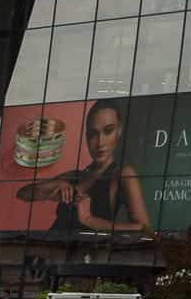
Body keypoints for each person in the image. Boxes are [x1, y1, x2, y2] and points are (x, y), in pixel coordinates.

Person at [42, 100, 149, 235]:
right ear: (86, 137)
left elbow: (145, 229)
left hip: (83, 254)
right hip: (47, 251)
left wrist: (90, 220)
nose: (100, 143)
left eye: (108, 131)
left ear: (119, 131)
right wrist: (57, 184)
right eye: (93, 134)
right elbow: (23, 193)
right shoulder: (77, 175)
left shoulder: (123, 174)